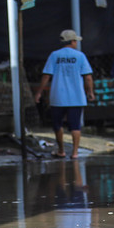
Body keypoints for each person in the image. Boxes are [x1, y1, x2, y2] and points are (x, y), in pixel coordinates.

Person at [34, 29, 95, 158]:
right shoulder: (80, 56)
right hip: (76, 97)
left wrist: (39, 92)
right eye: (75, 41)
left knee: (57, 124)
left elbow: (46, 76)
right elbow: (88, 77)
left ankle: (61, 150)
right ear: (72, 41)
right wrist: (90, 92)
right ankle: (75, 152)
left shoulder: (54, 55)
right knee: (75, 125)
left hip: (58, 97)